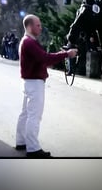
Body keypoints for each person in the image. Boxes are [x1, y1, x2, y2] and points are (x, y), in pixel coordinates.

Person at [15, 14, 77, 158]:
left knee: (25, 114)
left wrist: (62, 54)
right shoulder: (29, 42)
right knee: (34, 116)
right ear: (29, 26)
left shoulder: (27, 41)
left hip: (30, 81)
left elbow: (43, 59)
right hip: (34, 82)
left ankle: (21, 141)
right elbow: (45, 58)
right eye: (38, 25)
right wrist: (66, 54)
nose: (41, 28)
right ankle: (33, 149)